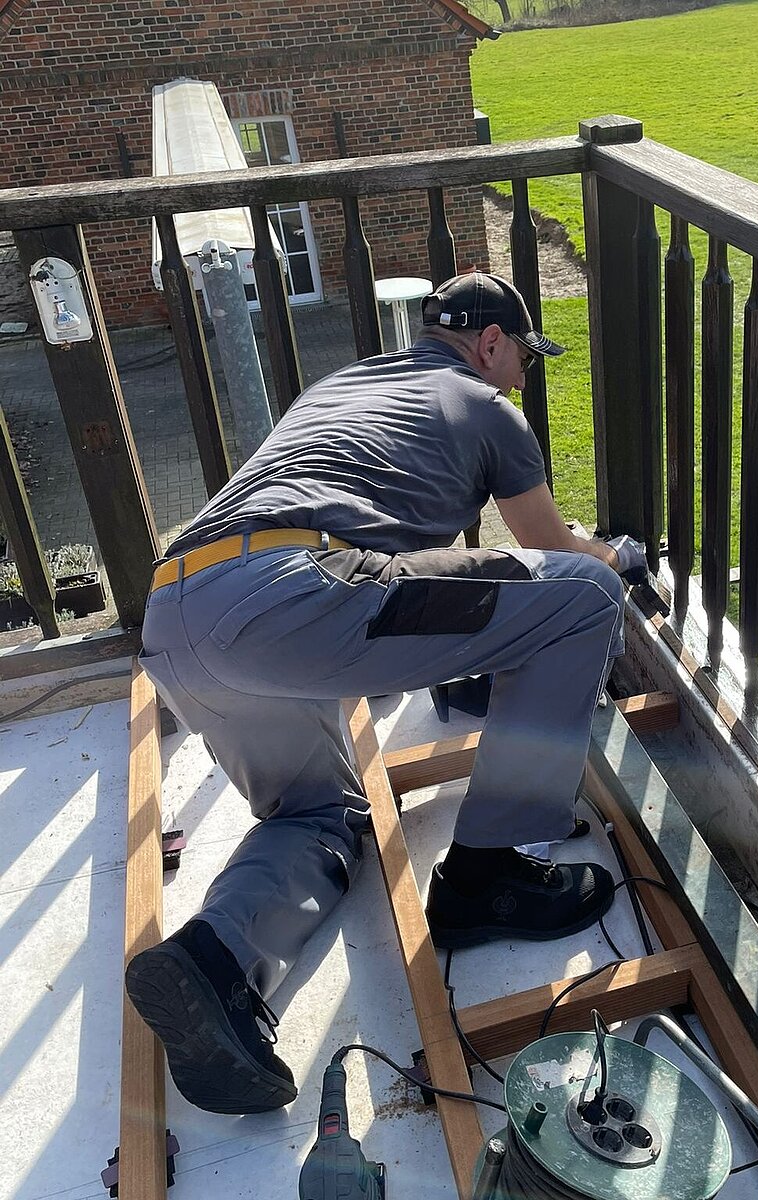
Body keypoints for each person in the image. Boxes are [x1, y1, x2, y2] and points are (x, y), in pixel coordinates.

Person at [124, 271, 647, 1116]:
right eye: (522, 357)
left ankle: (213, 962)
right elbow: (551, 550)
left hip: (179, 614)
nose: (522, 376)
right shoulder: (487, 407)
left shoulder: (349, 384)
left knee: (317, 817)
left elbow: (418, 568)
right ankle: (487, 874)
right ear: (489, 343)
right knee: (586, 599)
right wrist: (618, 555)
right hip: (289, 597)